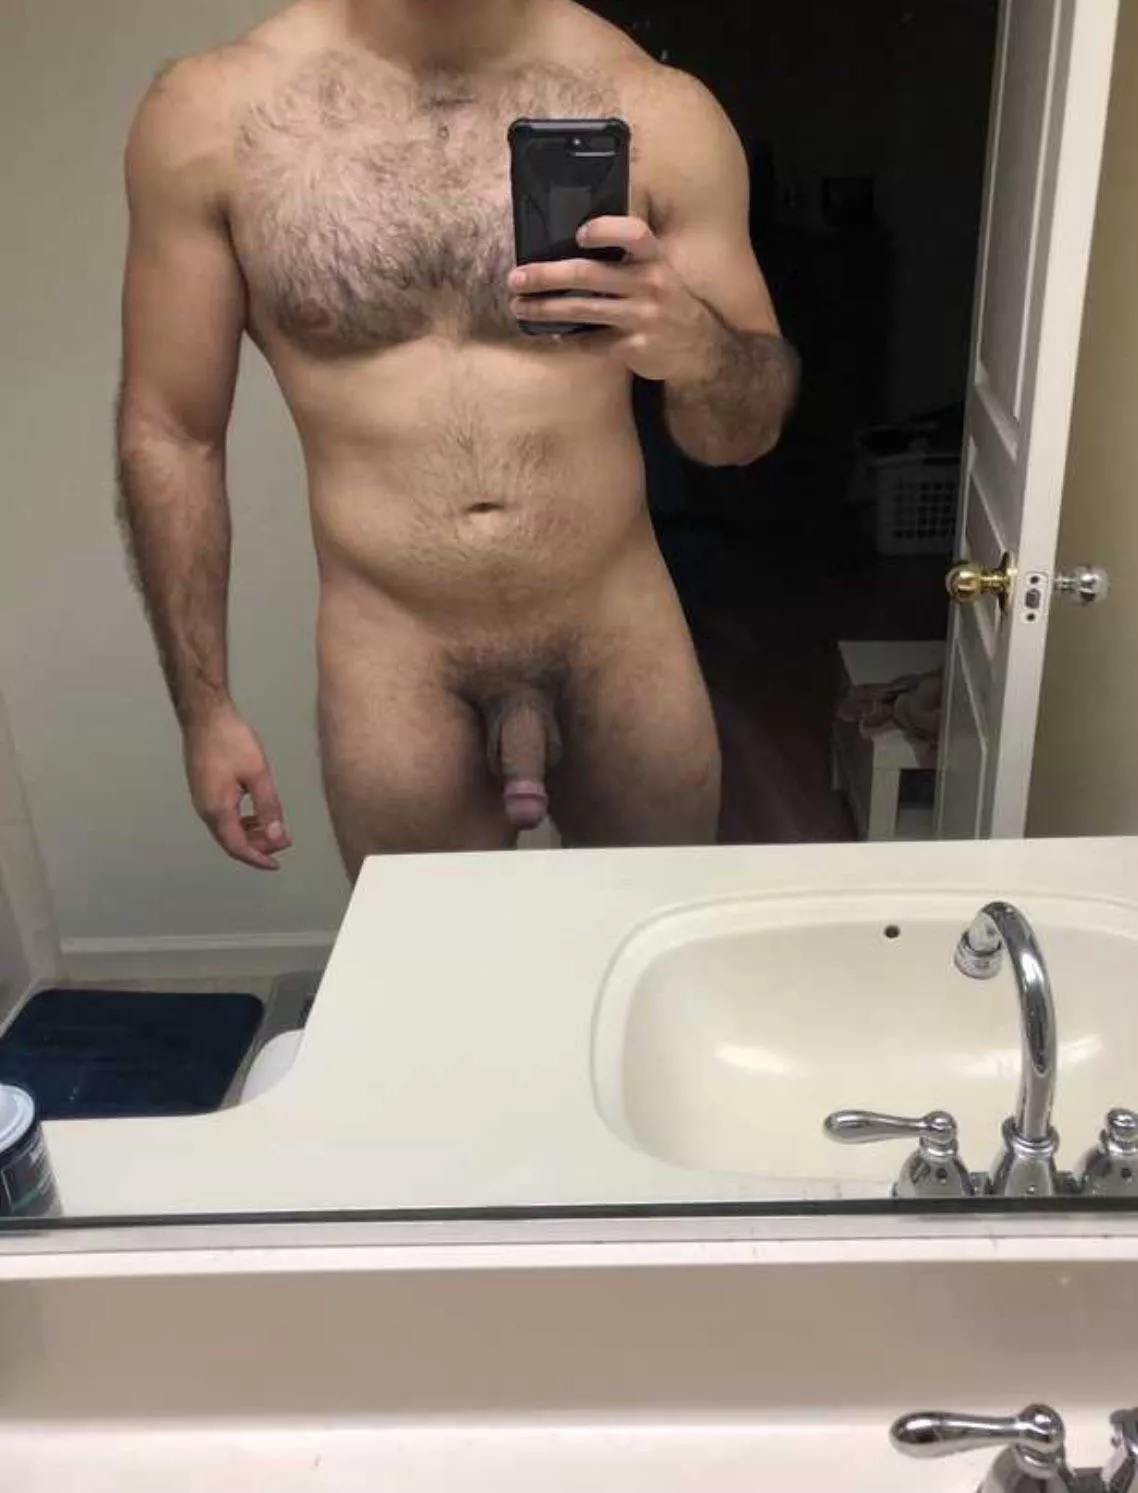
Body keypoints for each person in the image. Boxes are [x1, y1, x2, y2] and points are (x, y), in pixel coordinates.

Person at [116, 0, 799, 878]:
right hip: (394, 653)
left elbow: (742, 436)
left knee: (651, 943)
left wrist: (694, 346)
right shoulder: (213, 115)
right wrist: (204, 709)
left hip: (616, 632)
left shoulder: (659, 111)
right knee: (427, 960)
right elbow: (173, 436)